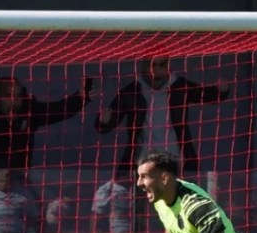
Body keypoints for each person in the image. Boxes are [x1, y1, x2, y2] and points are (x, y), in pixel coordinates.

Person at [97, 57, 230, 174]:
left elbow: (204, 94)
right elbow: (109, 120)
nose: (156, 70)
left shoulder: (180, 87)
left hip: (174, 159)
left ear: (167, 67)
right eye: (153, 65)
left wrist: (221, 91)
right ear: (145, 67)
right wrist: (105, 121)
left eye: (161, 65)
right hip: (143, 161)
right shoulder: (131, 92)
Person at [0, 69, 92, 170]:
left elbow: (57, 111)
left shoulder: (29, 110)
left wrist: (80, 98)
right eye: (8, 96)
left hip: (16, 178)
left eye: (18, 96)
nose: (14, 101)